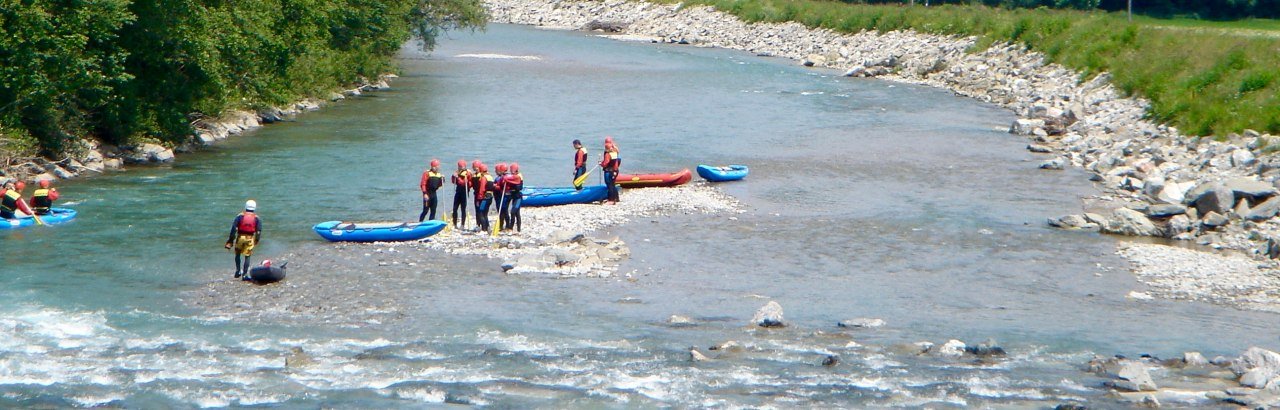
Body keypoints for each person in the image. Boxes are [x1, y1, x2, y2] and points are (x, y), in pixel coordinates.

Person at [224, 200, 262, 278]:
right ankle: (245, 274)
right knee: (247, 256)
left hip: (240, 237)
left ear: (245, 206)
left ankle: (238, 270)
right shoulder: (257, 218)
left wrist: (230, 240)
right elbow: (258, 231)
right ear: (254, 208)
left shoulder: (240, 216)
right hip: (250, 238)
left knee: (237, 254)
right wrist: (257, 240)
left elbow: (234, 228)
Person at [600, 136, 621, 204]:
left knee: (609, 185)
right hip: (615, 170)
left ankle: (611, 200)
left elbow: (606, 163)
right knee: (613, 184)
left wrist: (601, 164)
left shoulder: (607, 154)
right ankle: (616, 198)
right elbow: (618, 161)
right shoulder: (615, 152)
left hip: (609, 171)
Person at [450, 159, 470, 230]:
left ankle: (462, 224)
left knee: (463, 209)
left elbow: (463, 183)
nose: (461, 168)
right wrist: (453, 176)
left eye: (462, 166)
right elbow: (453, 182)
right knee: (455, 208)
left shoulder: (468, 173)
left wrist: (457, 177)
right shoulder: (457, 172)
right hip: (458, 192)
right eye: (460, 166)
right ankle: (454, 224)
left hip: (464, 192)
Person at [504, 162, 524, 232]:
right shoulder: (512, 176)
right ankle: (513, 228)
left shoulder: (518, 176)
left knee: (513, 212)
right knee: (516, 213)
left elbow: (519, 187)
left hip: (518, 197)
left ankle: (514, 228)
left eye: (512, 169)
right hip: (513, 197)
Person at [473, 162, 492, 232]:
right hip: (490, 197)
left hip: (484, 198)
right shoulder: (490, 176)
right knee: (485, 213)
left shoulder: (483, 178)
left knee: (481, 212)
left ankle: (484, 229)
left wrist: (478, 199)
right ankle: (487, 227)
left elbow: (482, 189)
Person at [493, 163, 508, 231]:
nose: (495, 171)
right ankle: (504, 225)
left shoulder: (502, 178)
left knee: (503, 211)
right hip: (498, 196)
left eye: (496, 170)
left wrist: (495, 187)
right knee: (503, 211)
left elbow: (501, 187)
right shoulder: (498, 178)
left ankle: (503, 225)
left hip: (501, 196)